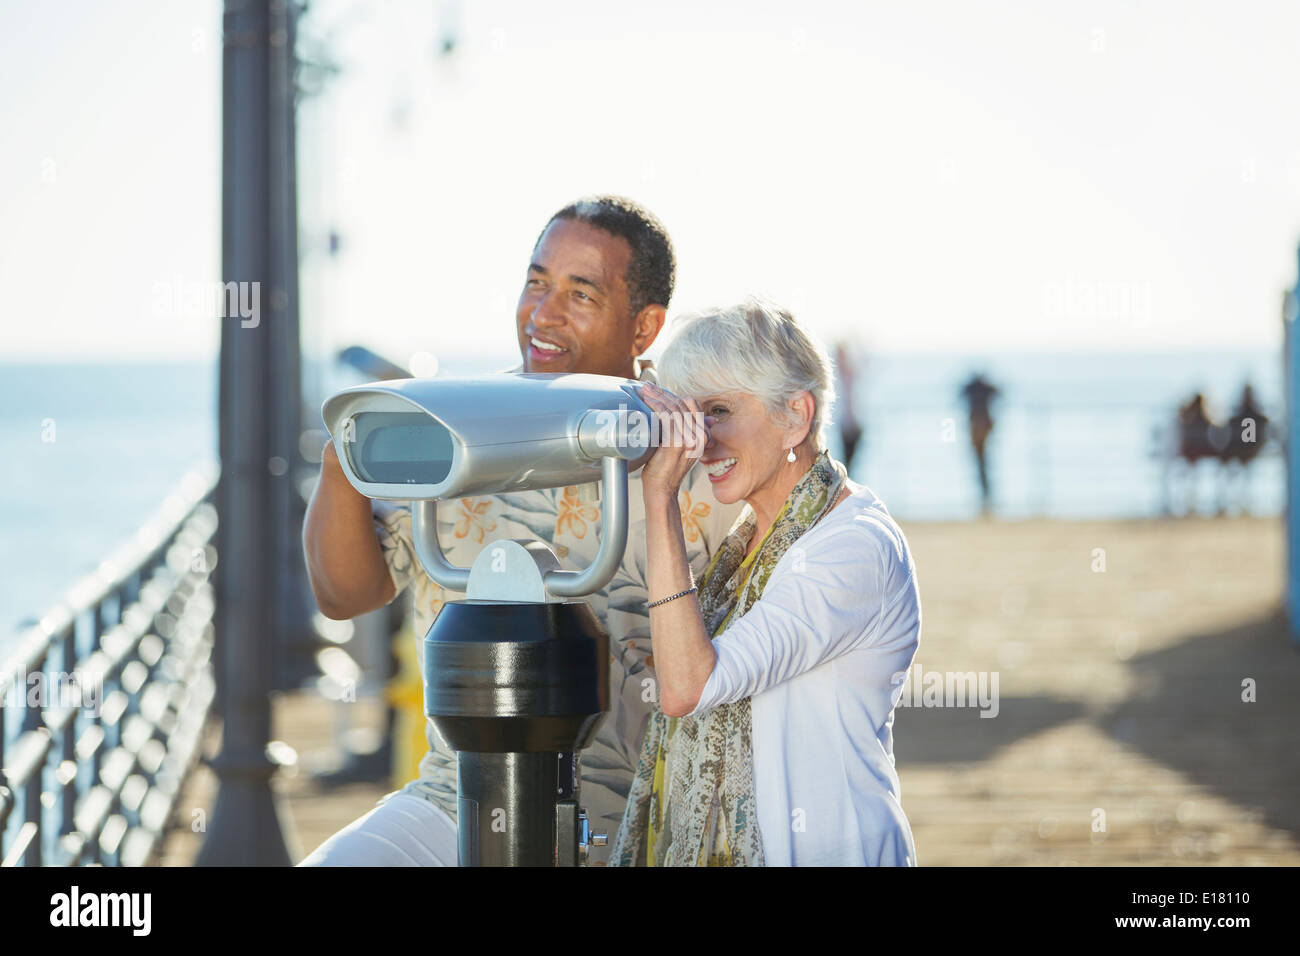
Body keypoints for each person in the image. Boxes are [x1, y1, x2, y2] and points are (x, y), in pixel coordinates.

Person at [299, 195, 743, 865]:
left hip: (646, 825)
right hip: (460, 802)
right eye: (536, 283)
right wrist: (343, 457)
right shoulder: (462, 430)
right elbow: (345, 596)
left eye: (580, 294)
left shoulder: (696, 457)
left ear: (644, 326)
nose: (544, 312)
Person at [609, 299, 922, 866]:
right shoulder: (747, 539)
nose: (700, 440)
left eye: (719, 410)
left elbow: (689, 686)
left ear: (796, 416)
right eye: (688, 416)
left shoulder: (853, 547)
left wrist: (660, 497)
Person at [959, 372, 998, 514]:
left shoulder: (972, 390)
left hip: (976, 429)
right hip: (981, 429)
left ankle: (985, 500)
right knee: (982, 464)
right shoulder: (985, 390)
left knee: (981, 464)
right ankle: (985, 500)